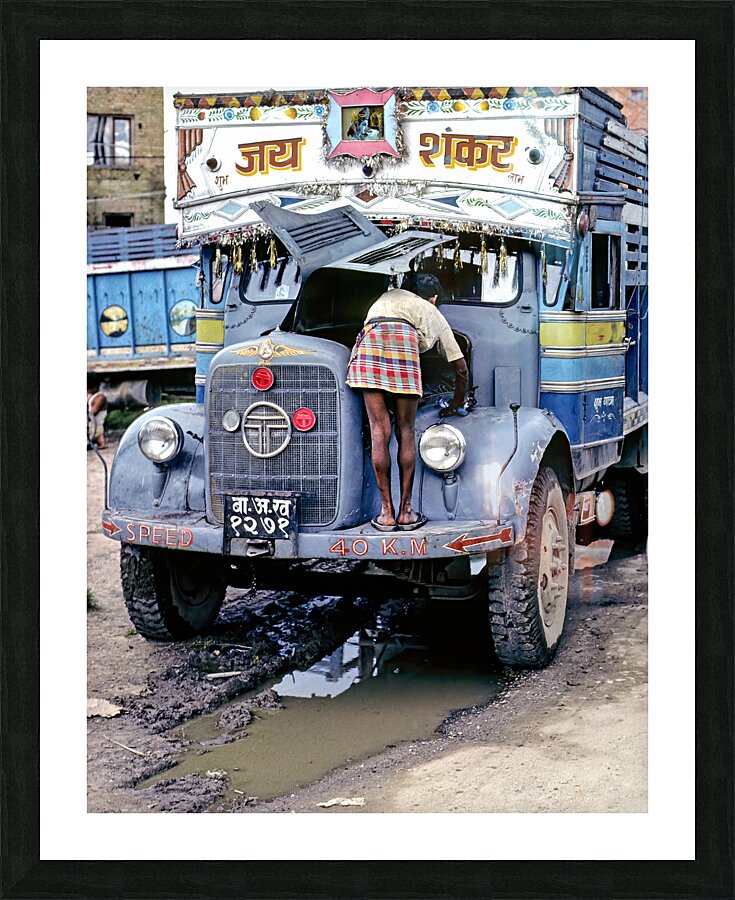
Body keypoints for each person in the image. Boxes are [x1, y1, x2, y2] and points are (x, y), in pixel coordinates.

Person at [346, 273, 469, 531]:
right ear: (433, 297)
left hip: (369, 343)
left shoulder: (387, 297)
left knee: (379, 431)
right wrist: (457, 402)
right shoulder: (431, 311)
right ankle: (406, 512)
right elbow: (461, 368)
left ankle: (386, 513)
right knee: (406, 431)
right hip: (404, 345)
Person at [87, 377, 108, 450]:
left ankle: (98, 440)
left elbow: (91, 414)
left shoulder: (100, 398)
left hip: (95, 428)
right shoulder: (90, 396)